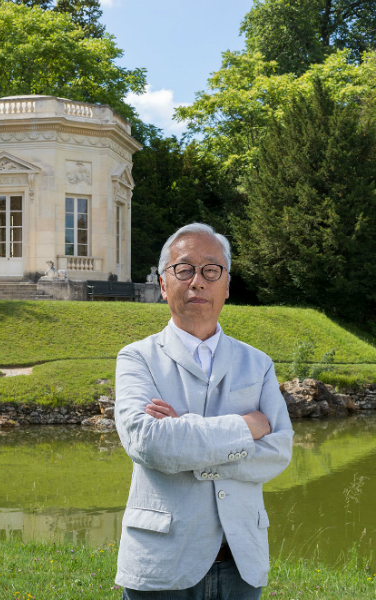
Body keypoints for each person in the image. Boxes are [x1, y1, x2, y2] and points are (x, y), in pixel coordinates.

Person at [114, 223, 293, 600]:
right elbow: (149, 445)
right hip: (161, 564)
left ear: (226, 286)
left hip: (241, 564)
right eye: (184, 270)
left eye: (211, 271)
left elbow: (278, 452)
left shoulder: (258, 363)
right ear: (163, 285)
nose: (197, 281)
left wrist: (185, 437)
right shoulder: (137, 358)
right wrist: (246, 427)